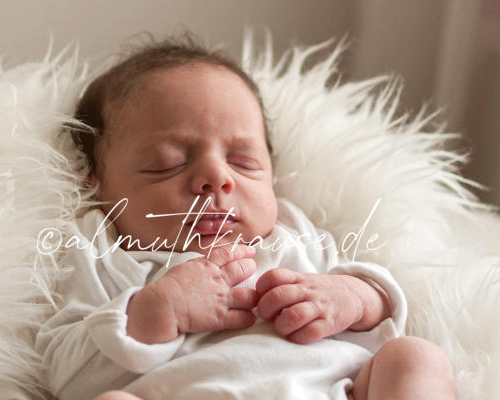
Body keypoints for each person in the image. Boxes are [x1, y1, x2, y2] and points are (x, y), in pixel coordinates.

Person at [35, 34, 456, 400]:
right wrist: (157, 311)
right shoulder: (101, 249)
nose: (217, 178)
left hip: (328, 391)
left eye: (243, 162)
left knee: (416, 357)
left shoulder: (290, 234)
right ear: (97, 185)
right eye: (167, 164)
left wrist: (352, 298)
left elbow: (383, 315)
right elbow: (65, 377)